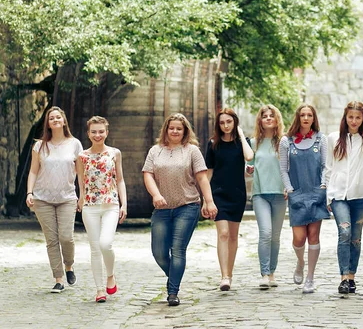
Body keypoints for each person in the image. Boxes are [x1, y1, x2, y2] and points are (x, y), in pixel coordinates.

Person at [143, 113, 217, 306]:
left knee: (178, 250)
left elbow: (202, 178)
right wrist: (156, 195)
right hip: (162, 208)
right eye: (171, 128)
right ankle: (175, 275)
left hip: (187, 205)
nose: (175, 131)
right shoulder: (155, 151)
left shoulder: (192, 151)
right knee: (159, 252)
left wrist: (209, 202)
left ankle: (173, 292)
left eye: (179, 128)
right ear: (166, 130)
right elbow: (148, 175)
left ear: (185, 131)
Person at [325, 92, 363, 295]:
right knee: (344, 233)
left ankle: (352, 277)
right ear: (345, 117)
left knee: (355, 237)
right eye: (351, 117)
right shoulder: (333, 139)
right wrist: (328, 195)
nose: (354, 121)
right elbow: (328, 167)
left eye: (358, 117)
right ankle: (343, 277)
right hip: (338, 195)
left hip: (360, 195)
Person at [26, 106, 83, 293]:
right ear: (48, 123)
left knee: (66, 238)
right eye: (52, 118)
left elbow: (81, 174)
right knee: (51, 240)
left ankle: (69, 266)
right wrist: (29, 193)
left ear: (64, 121)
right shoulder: (39, 146)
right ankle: (58, 279)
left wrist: (82, 195)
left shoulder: (75, 144)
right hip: (43, 198)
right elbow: (33, 171)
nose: (55, 120)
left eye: (58, 117)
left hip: (67, 197)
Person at [76, 116, 128, 303]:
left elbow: (120, 179)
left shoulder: (115, 153)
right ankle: (99, 290)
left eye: (101, 131)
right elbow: (81, 180)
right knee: (95, 248)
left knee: (106, 244)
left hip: (111, 204)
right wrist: (81, 198)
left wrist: (124, 204)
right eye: (94, 132)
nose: (97, 135)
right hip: (90, 205)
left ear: (107, 132)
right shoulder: (82, 156)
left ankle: (111, 274)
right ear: (88, 133)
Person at [279, 104, 329, 294]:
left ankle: (310, 277)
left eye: (309, 115)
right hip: (297, 193)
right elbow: (283, 168)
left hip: (316, 191)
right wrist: (290, 189)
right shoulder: (287, 141)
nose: (306, 118)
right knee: (299, 238)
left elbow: (326, 165)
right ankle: (300, 263)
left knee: (313, 236)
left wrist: (324, 185)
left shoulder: (320, 139)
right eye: (302, 115)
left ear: (314, 118)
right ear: (298, 118)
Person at [206, 108, 254, 291]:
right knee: (223, 233)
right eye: (222, 122)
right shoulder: (212, 144)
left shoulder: (243, 143)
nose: (225, 125)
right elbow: (208, 173)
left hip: (237, 193)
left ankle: (230, 274)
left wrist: (240, 134)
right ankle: (224, 276)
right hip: (218, 193)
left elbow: (249, 157)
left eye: (229, 122)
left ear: (235, 122)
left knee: (233, 236)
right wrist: (206, 199)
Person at [246, 105, 286, 289]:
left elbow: (289, 167)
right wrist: (248, 168)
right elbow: (248, 165)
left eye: (272, 116)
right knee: (266, 233)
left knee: (275, 237)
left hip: (280, 194)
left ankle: (272, 273)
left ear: (277, 119)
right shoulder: (254, 143)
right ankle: (264, 274)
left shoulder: (284, 142)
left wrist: (289, 187)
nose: (268, 118)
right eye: (265, 116)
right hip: (260, 193)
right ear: (260, 121)